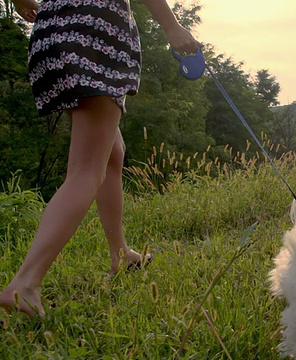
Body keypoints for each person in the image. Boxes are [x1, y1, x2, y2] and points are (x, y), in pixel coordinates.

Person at [0, 0, 199, 317]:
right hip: (94, 35)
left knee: (110, 153)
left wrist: (23, 2)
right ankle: (24, 284)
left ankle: (120, 253)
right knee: (86, 170)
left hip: (52, 34)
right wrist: (172, 27)